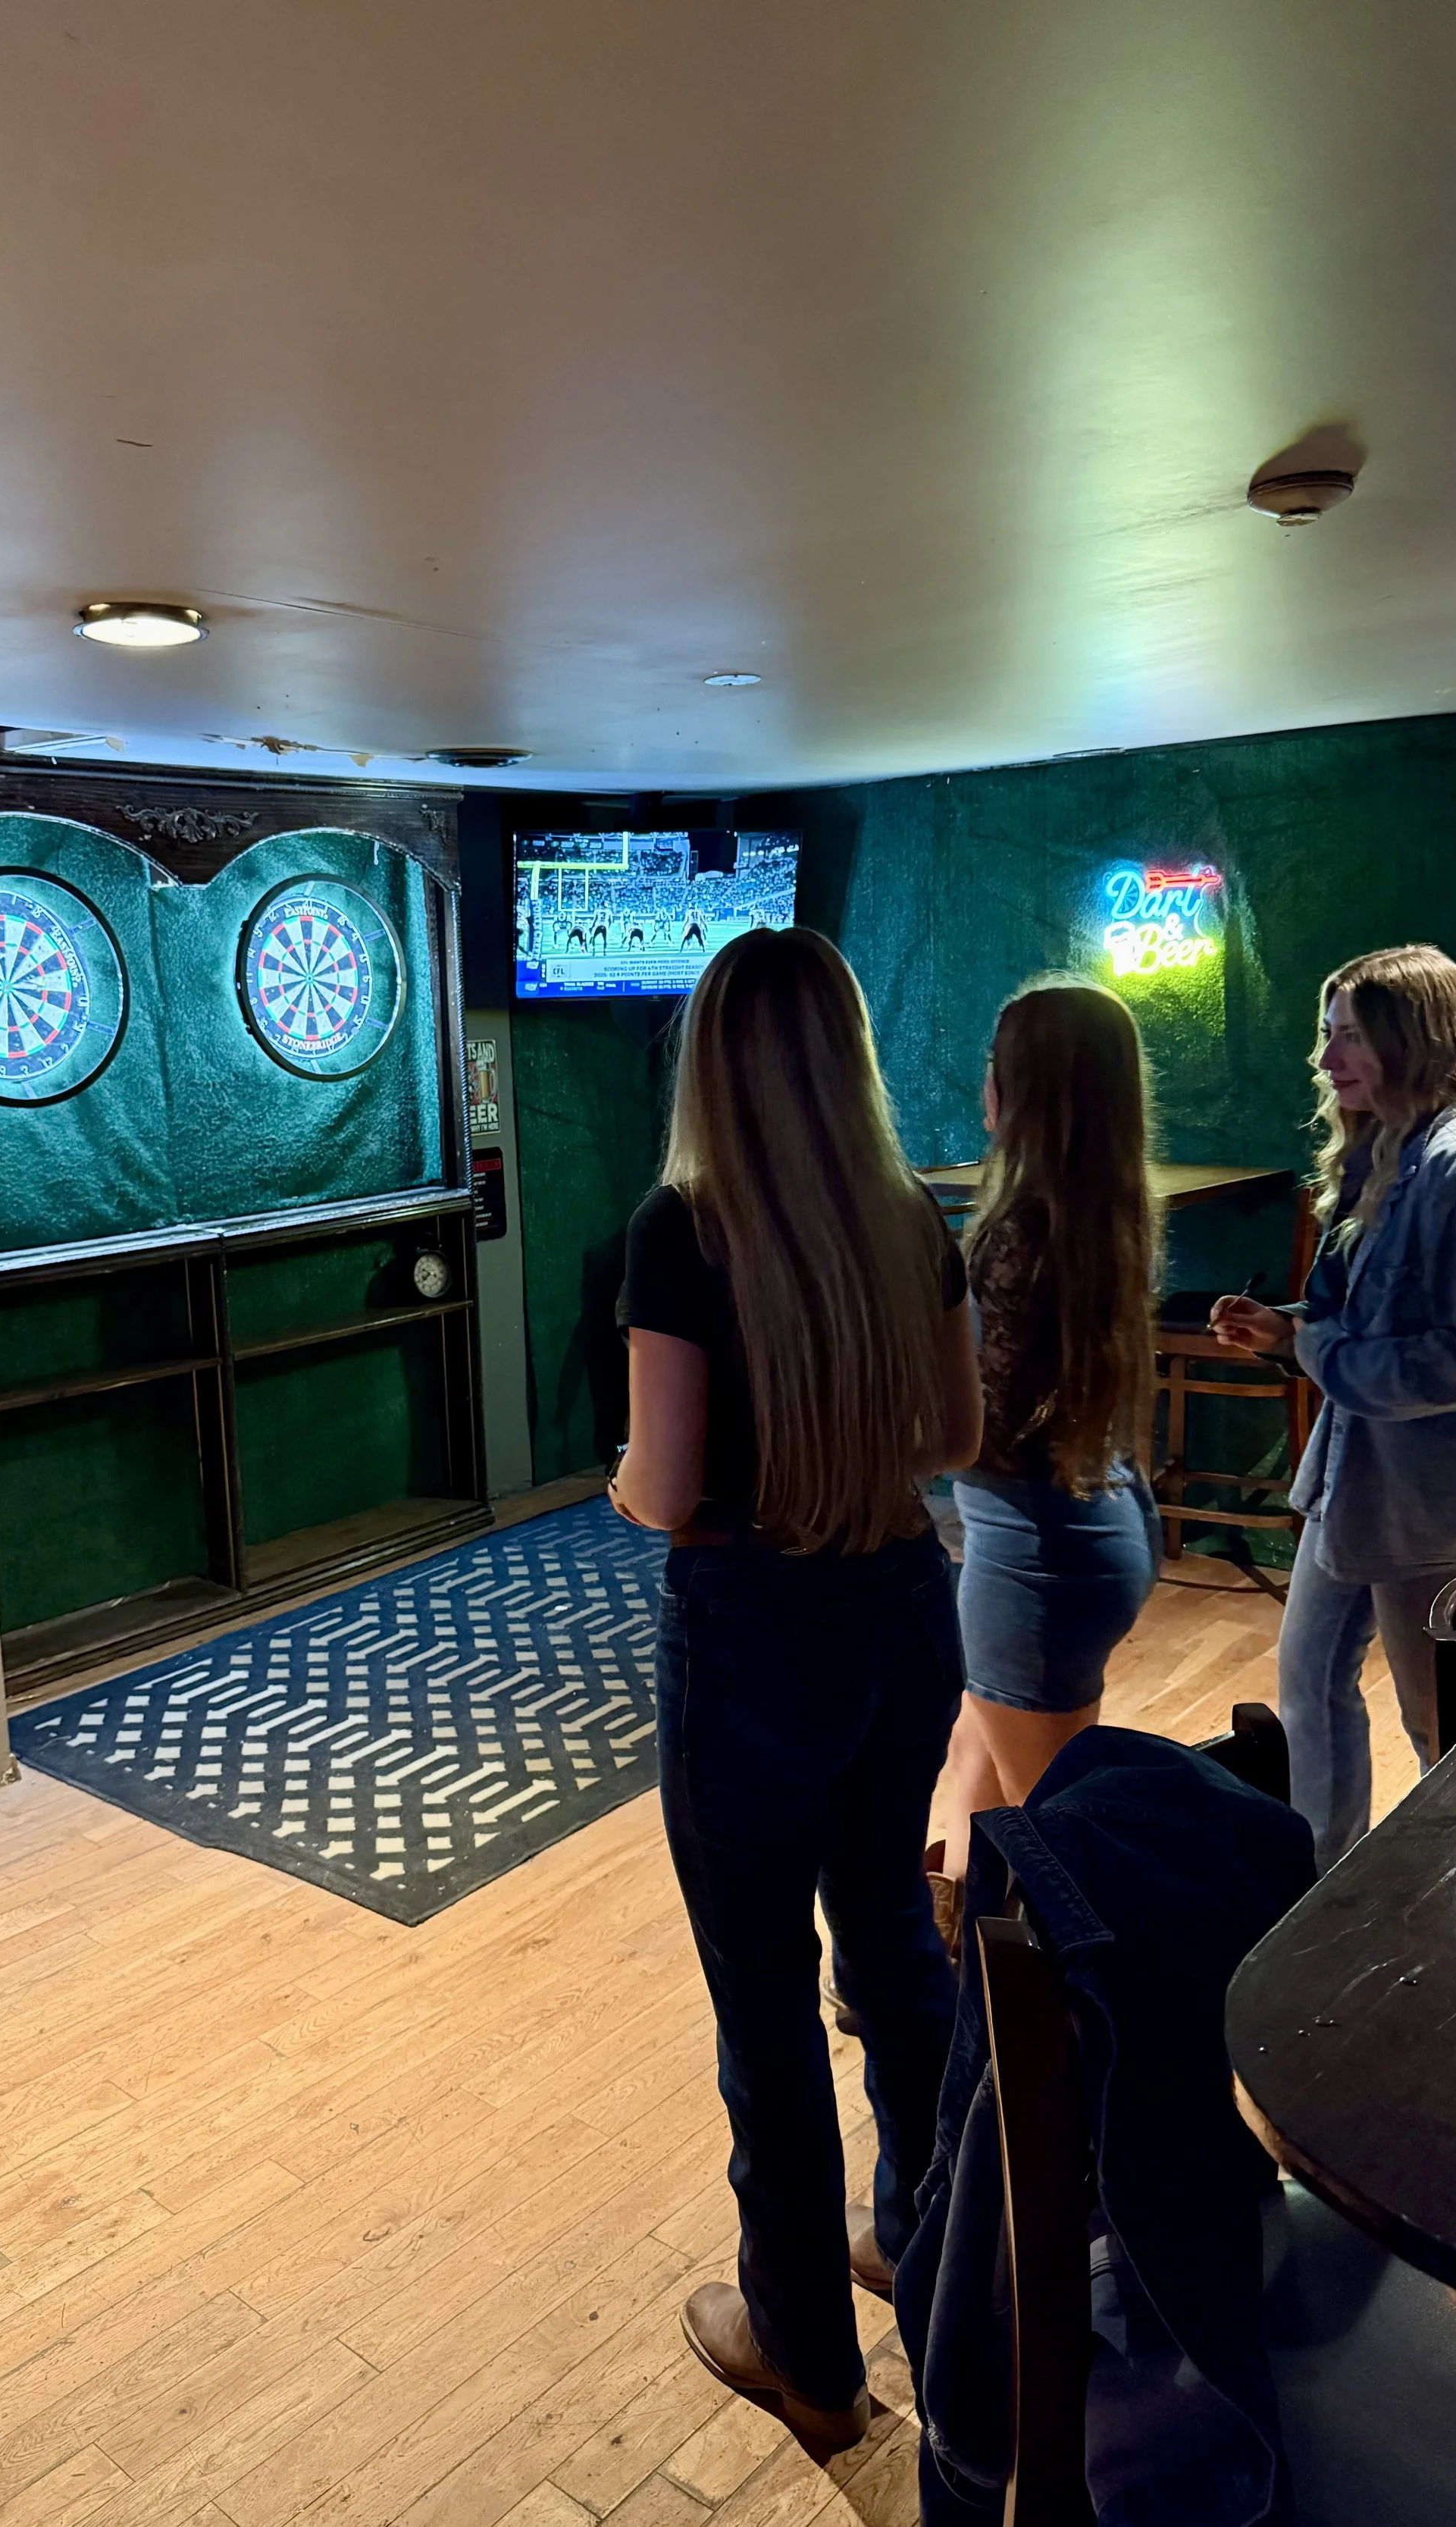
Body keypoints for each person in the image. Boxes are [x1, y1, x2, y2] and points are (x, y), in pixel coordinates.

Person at [610, 926, 982, 2452]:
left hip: (751, 1624)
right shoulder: (909, 1215)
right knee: (891, 1937)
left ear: (711, 1061)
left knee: (763, 1991)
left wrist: (625, 1482)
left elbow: (664, 1484)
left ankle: (808, 2354)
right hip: (901, 1603)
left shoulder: (679, 1228)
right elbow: (954, 1434)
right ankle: (929, 2248)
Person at [1211, 945, 1456, 1871]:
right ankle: (1321, 1886)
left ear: (1415, 1041)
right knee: (1310, 1682)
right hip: (1361, 1485)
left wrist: (1317, 1350)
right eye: (1326, 1035)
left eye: (1349, 1037)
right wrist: (1286, 1330)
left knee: (1437, 1722)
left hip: (1435, 1505)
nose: (1326, 1059)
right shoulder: (1389, 1149)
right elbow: (1381, 1316)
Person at [928, 980, 1162, 1858]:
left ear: (1021, 1088)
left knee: (1053, 1853)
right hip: (1096, 1529)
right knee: (971, 1764)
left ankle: (1034, 1961)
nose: (982, 1085)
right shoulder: (1101, 1212)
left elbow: (986, 1431)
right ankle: (947, 1937)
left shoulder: (1020, 1233)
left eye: (994, 1066)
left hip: (1034, 1562)